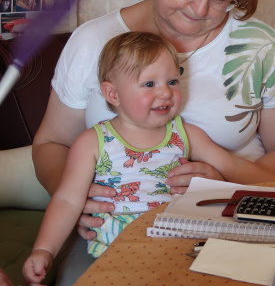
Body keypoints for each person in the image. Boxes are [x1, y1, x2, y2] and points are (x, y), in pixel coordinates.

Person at [32, 0, 275, 285]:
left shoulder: (260, 48)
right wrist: (76, 197)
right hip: (113, 229)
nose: (200, 9)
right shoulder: (93, 42)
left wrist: (228, 182)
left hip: (229, 221)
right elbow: (51, 143)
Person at [24, 31, 254, 285]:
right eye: (149, 84)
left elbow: (228, 174)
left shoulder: (185, 133)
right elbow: (68, 199)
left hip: (182, 242)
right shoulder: (93, 142)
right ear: (113, 94)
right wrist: (44, 250)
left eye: (173, 82)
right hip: (119, 248)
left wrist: (214, 181)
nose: (165, 92)